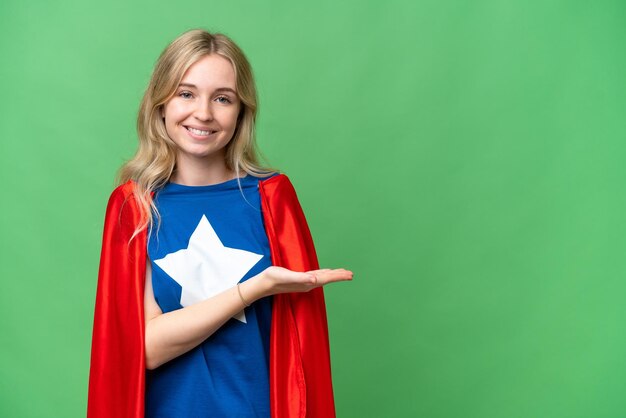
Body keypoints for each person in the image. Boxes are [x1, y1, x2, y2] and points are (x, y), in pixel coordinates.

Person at [87, 29, 353, 418]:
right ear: (161, 103)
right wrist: (253, 289)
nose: (204, 113)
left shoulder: (272, 198)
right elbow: (143, 349)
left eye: (222, 98)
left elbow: (300, 351)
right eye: (186, 93)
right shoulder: (135, 205)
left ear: (241, 111)